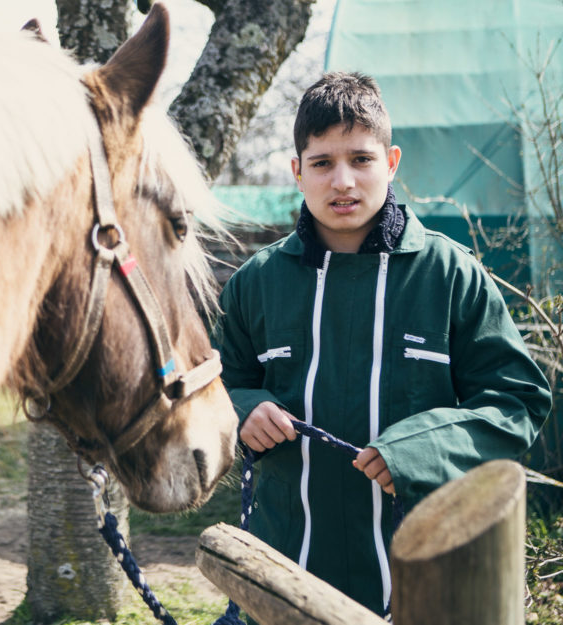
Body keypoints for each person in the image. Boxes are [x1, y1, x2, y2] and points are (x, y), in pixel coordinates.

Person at [210, 71, 551, 616]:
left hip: (418, 584)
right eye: (322, 163)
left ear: (391, 163)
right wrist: (244, 409)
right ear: (297, 172)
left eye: (361, 160)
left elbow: (517, 402)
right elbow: (216, 386)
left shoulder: (449, 275)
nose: (343, 181)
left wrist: (422, 448)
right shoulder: (256, 282)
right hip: (280, 572)